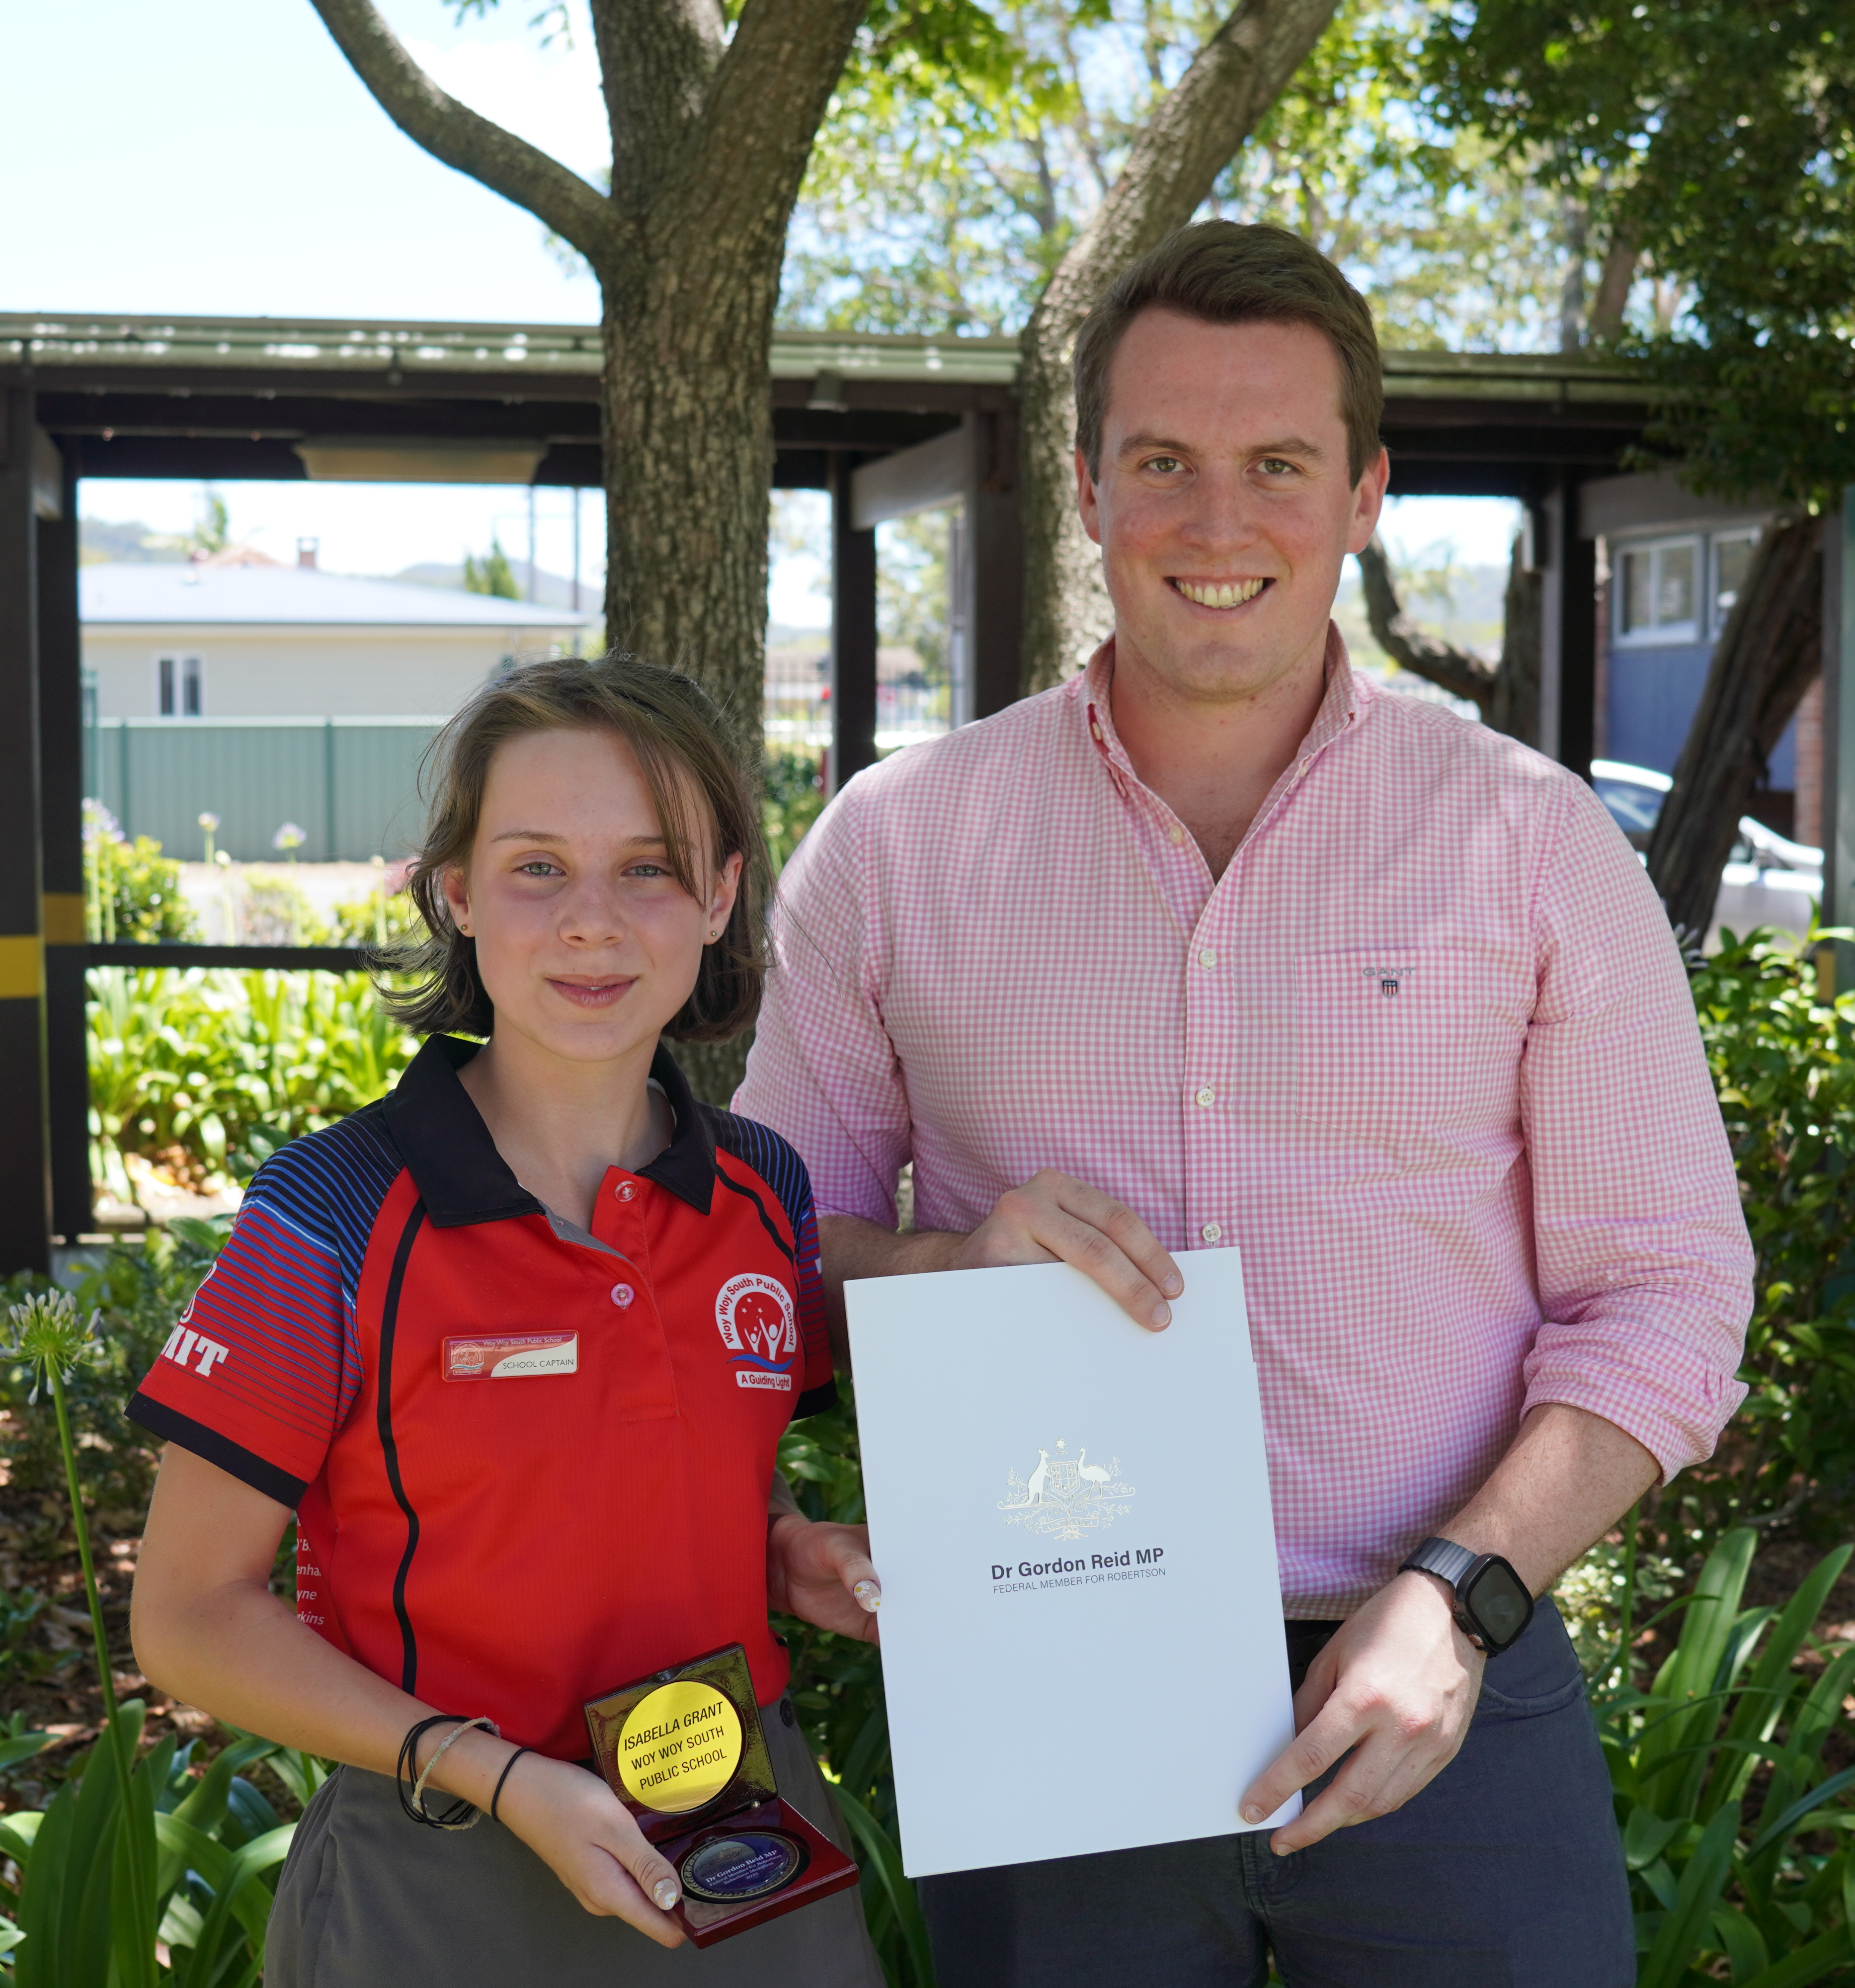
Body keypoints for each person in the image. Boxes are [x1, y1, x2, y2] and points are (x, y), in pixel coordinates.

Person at [737, 221, 1756, 1986]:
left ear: (1365, 494)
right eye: (1164, 464)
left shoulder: (1532, 844)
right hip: (1044, 1675)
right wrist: (939, 1266)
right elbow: (756, 1262)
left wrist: (1462, 1596)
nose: (1220, 523)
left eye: (1278, 464)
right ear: (1087, 490)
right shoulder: (899, 848)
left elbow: (1669, 1290)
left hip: (1443, 1667)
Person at [127, 656, 887, 1987]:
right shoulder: (332, 1210)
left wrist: (782, 1554)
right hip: (442, 1861)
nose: (593, 923)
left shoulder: (766, 1191)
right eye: (538, 867)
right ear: (457, 895)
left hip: (742, 1838)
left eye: (649, 868)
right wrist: (491, 1773)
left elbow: (669, 1472)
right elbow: (187, 1615)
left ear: (720, 897)